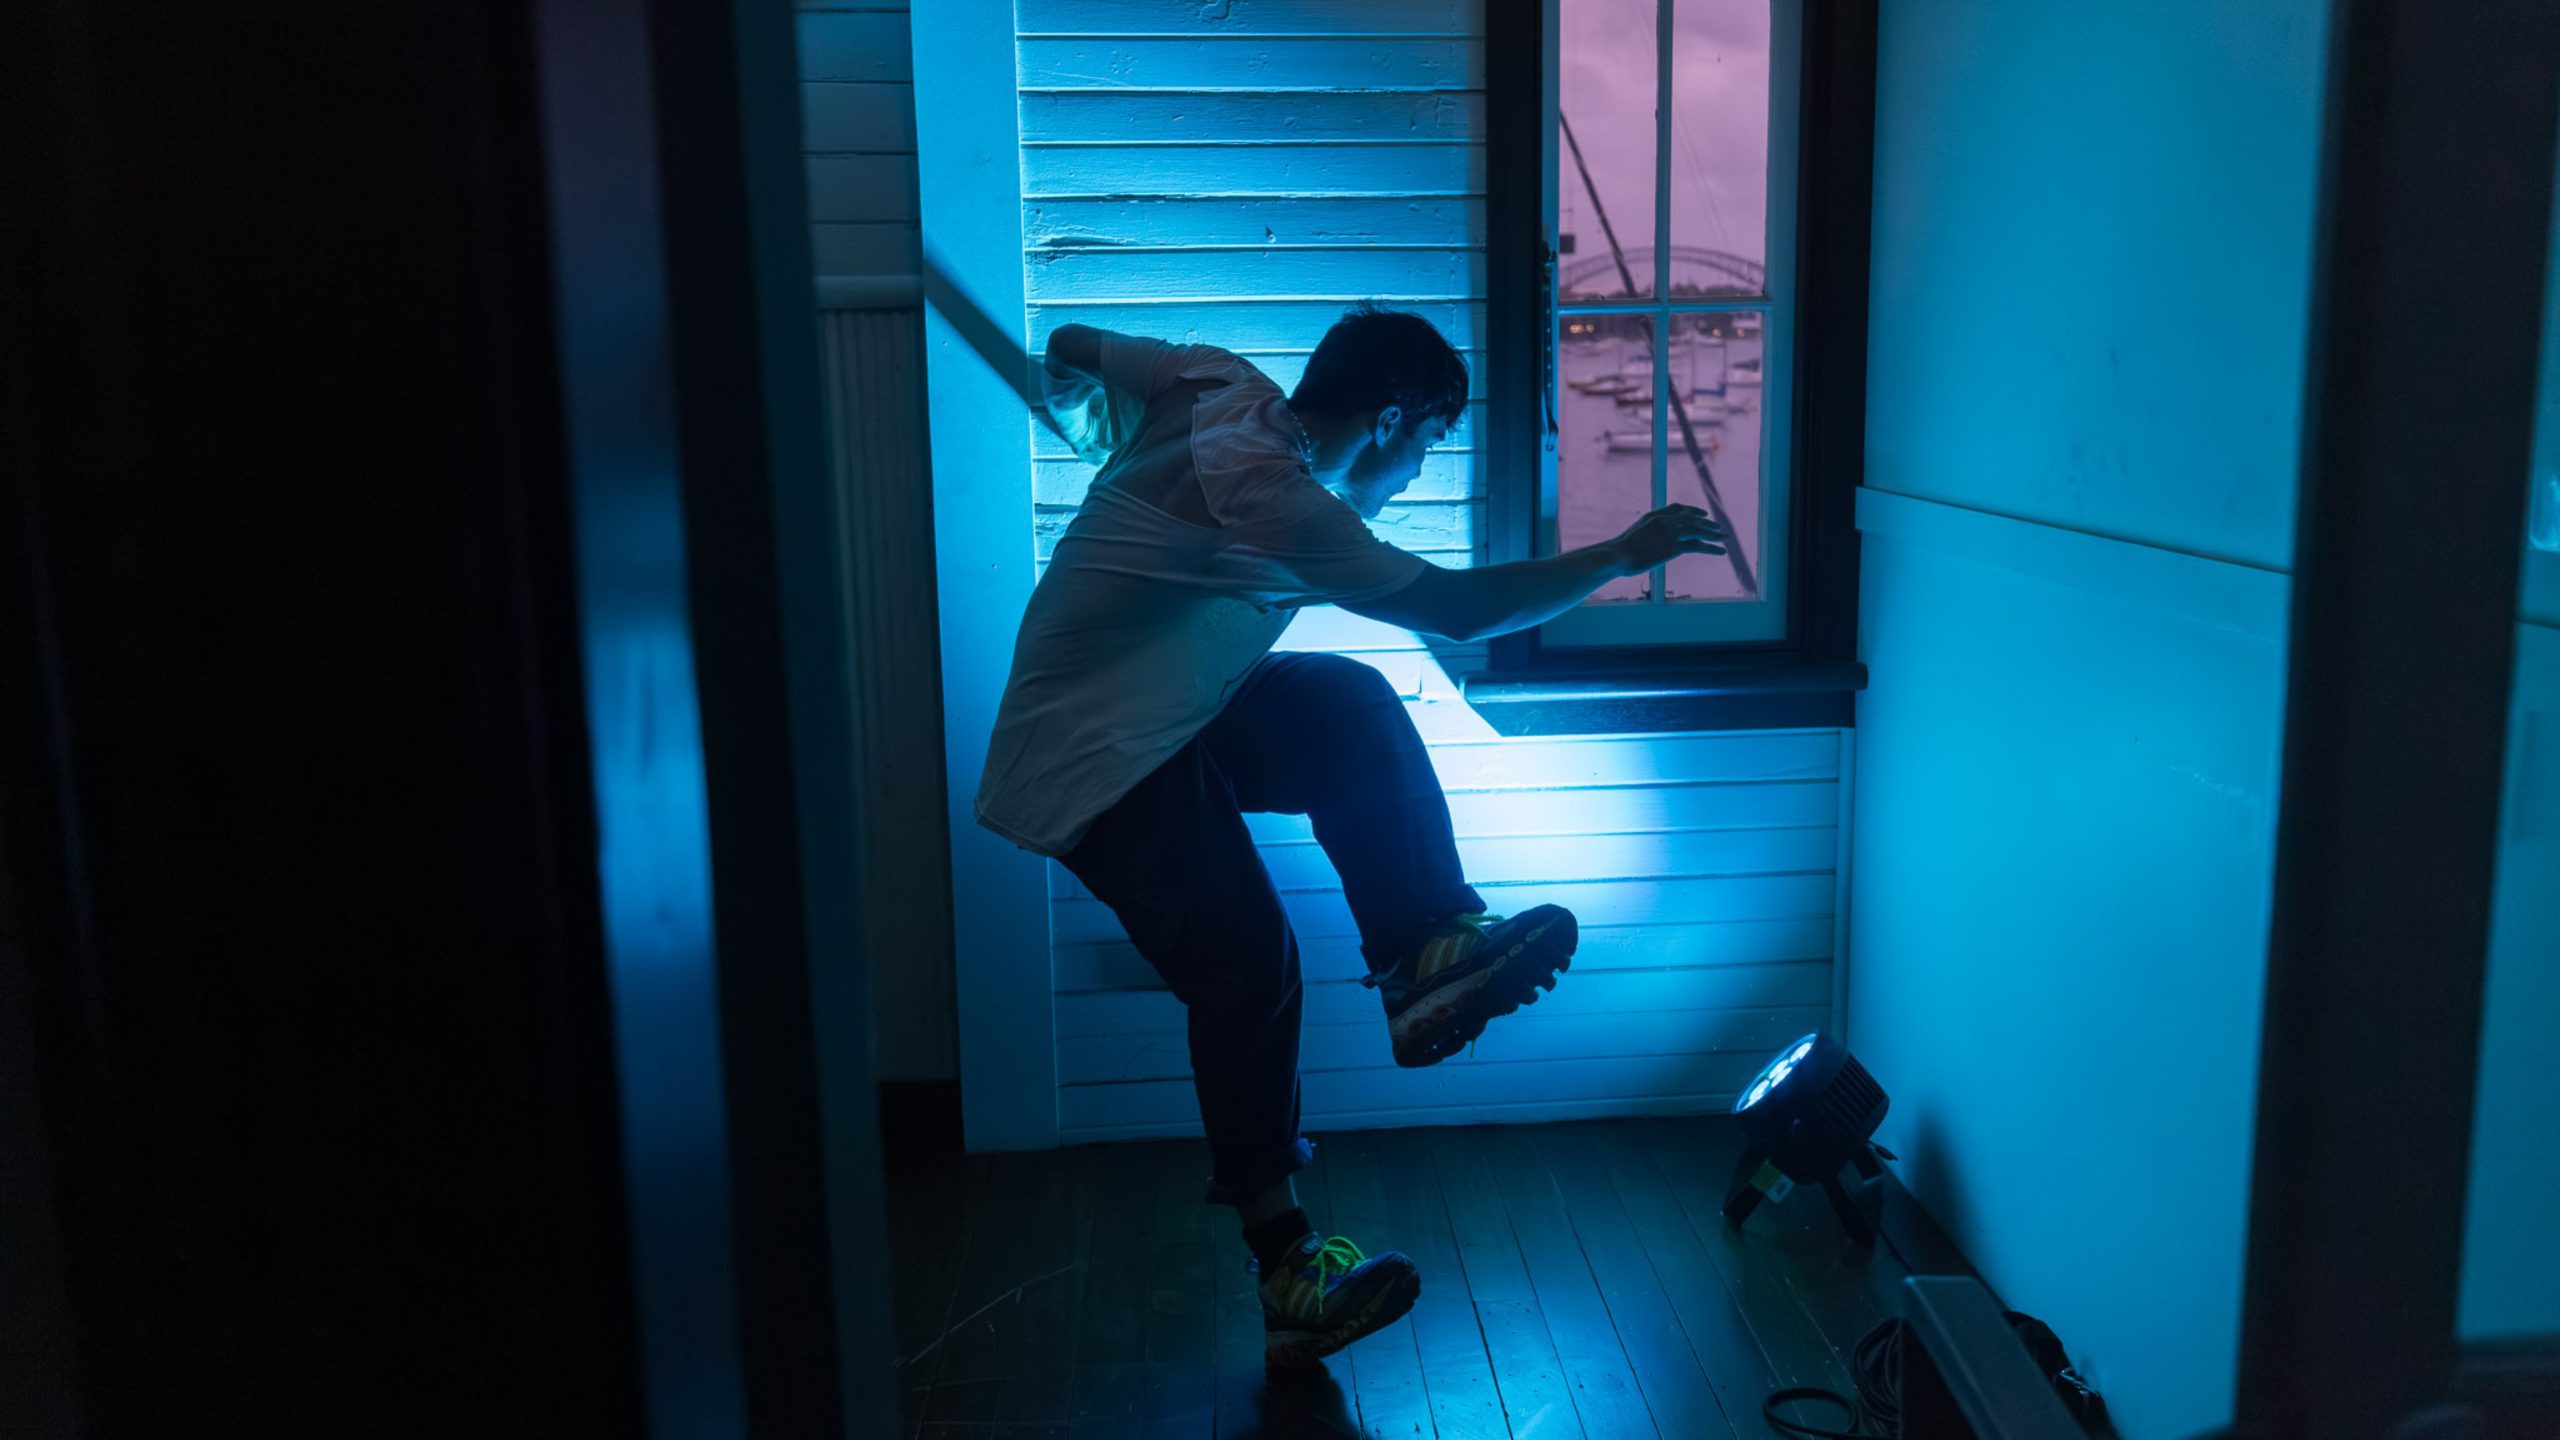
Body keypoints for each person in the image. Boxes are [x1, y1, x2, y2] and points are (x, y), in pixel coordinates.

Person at [976, 304, 1729, 1366]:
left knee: (1345, 702)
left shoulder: (1207, 382)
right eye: (1425, 443)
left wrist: (1100, 426)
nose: (1418, 471)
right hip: (1092, 756)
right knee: (1245, 963)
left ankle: (1425, 950)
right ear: (1386, 420)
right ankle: (1286, 1265)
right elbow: (1461, 613)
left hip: (1176, 708)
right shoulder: (1277, 504)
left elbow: (1068, 343)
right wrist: (1621, 551)